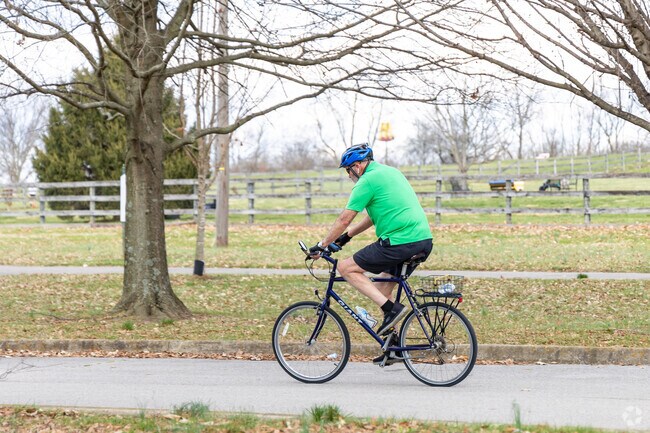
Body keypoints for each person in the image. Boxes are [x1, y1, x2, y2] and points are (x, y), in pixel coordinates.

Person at [309, 143, 433, 363]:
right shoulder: (390, 172)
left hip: (399, 242)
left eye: (348, 170)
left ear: (357, 166)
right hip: (422, 241)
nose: (349, 176)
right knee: (380, 288)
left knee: (345, 268)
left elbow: (344, 218)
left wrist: (322, 244)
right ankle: (395, 346)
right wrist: (346, 237)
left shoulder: (367, 181)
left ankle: (392, 310)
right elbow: (372, 217)